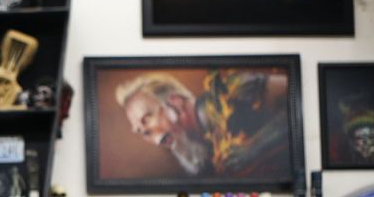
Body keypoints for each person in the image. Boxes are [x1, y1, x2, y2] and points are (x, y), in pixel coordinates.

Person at [116, 69, 289, 177]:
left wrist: (256, 146)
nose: (150, 136)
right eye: (141, 131)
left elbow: (298, 100)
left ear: (175, 102)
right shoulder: (199, 155)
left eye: (147, 118)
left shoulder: (230, 92)